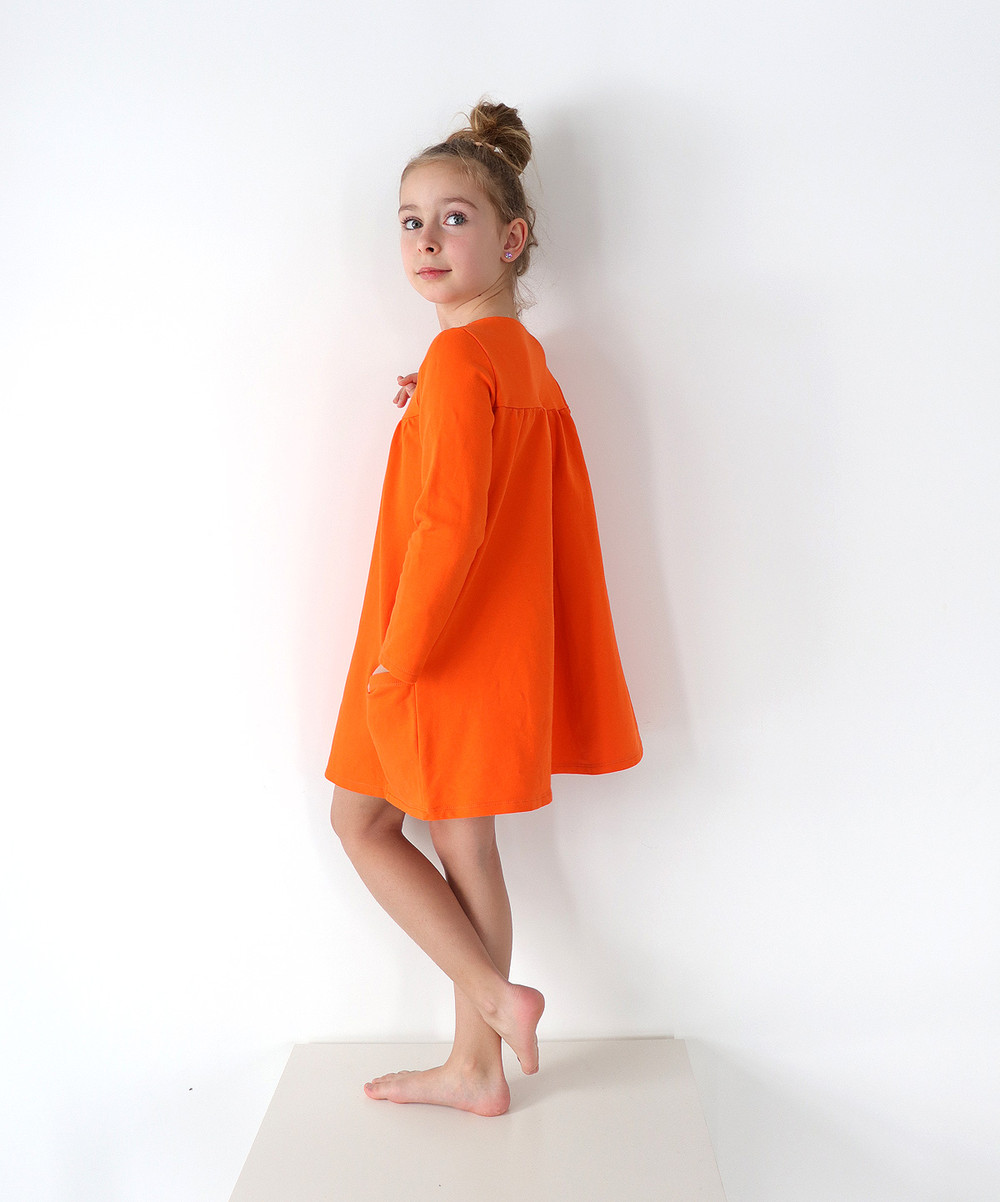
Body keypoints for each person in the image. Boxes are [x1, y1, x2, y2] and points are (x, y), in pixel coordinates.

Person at [326, 99, 643, 1117]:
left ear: (510, 240)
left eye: (453, 218)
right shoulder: (518, 359)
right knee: (462, 846)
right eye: (410, 221)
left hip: (437, 648)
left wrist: (398, 655)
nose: (426, 238)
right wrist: (438, 395)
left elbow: (450, 527)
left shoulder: (463, 363)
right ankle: (476, 1065)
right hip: (495, 650)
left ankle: (494, 1006)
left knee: (360, 822)